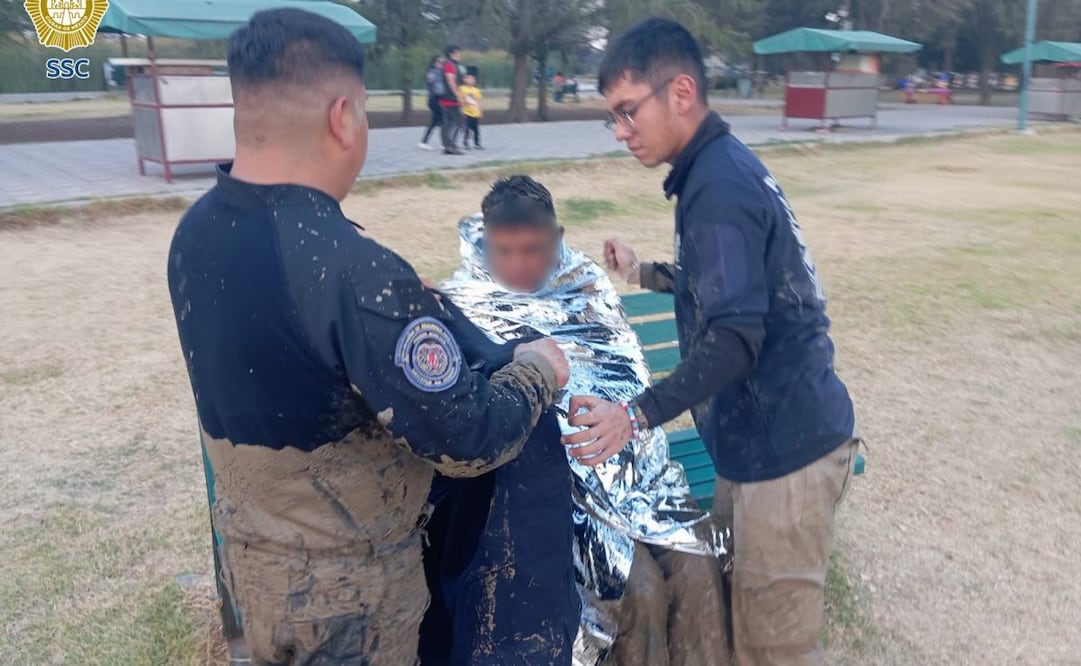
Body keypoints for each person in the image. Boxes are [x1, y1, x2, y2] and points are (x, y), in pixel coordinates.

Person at [166, 10, 569, 665]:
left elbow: (289, 358)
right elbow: (466, 441)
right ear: (344, 116)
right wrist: (536, 371)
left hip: (260, 571)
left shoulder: (198, 232)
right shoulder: (353, 272)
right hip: (352, 606)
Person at [566, 18, 859, 666]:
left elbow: (734, 339)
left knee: (772, 647)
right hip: (754, 447)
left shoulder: (717, 188)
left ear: (679, 92)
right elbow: (724, 284)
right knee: (734, 618)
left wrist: (635, 414)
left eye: (626, 111)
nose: (619, 132)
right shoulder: (714, 174)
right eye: (610, 118)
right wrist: (643, 273)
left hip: (785, 454)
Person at [439, 176, 729, 666]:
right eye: (503, 250)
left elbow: (629, 375)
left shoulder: (584, 282)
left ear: (557, 237)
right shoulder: (463, 301)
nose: (518, 265)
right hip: (551, 497)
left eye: (532, 249)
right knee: (639, 589)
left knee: (698, 567)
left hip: (634, 474)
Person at [440, 45, 465, 155]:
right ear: (451, 54)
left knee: (449, 123)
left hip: (447, 98)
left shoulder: (451, 65)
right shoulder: (450, 65)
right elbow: (451, 81)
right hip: (450, 99)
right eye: (457, 53)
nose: (459, 55)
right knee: (455, 123)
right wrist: (458, 95)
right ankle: (450, 145)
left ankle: (449, 145)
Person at [419, 54, 445, 150]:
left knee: (434, 122)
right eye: (439, 62)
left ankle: (424, 141)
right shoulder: (432, 73)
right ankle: (444, 142)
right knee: (442, 121)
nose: (441, 64)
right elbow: (436, 86)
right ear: (434, 62)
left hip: (437, 100)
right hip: (434, 100)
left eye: (442, 62)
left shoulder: (439, 72)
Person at [460, 73, 484, 150]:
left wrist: (480, 111)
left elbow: (479, 101)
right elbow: (460, 99)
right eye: (468, 78)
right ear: (464, 79)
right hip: (466, 112)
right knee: (467, 129)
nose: (470, 80)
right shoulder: (462, 89)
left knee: (476, 129)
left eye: (472, 79)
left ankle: (477, 143)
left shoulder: (476, 90)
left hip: (475, 112)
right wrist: (461, 109)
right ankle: (466, 143)